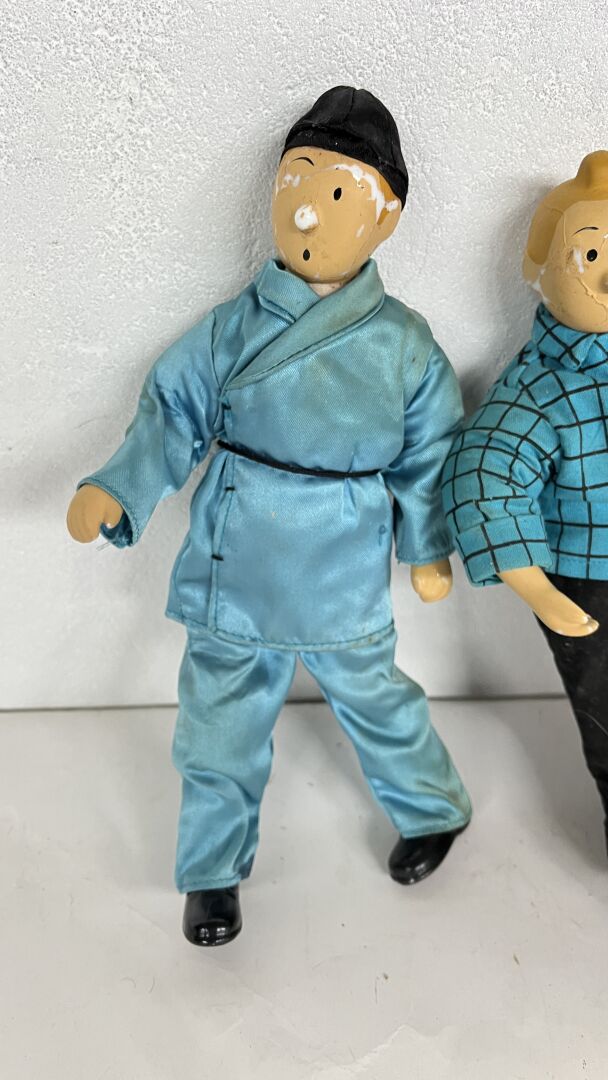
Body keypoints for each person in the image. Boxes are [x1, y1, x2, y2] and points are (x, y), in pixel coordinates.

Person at [67, 86, 471, 947]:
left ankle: (433, 807)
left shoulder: (403, 345)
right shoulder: (231, 330)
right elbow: (173, 408)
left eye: (336, 191)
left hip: (343, 559)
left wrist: (428, 546)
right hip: (238, 556)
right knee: (219, 721)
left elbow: (431, 447)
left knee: (376, 696)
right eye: (296, 181)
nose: (307, 211)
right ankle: (212, 871)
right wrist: (120, 487)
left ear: (386, 217)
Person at [443, 151, 608, 857]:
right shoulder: (542, 386)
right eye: (590, 253)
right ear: (541, 267)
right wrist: (536, 586)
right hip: (588, 580)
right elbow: (486, 470)